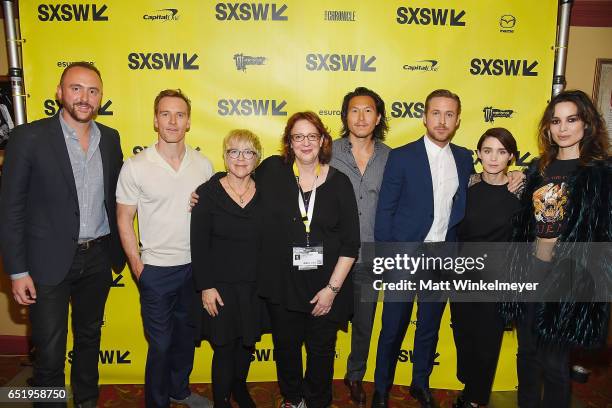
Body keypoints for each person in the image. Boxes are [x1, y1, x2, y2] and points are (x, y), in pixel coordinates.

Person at [0, 62, 125, 408]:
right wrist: (17, 270)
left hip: (98, 257)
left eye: (92, 91)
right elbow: (10, 208)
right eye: (76, 88)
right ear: (59, 92)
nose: (84, 98)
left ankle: (87, 401)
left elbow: (120, 195)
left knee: (89, 339)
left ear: (100, 98)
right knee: (50, 353)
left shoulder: (111, 139)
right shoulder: (28, 137)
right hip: (46, 263)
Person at [501, 90, 611, 408]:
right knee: (527, 356)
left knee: (554, 363)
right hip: (530, 271)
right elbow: (526, 223)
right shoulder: (539, 169)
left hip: (568, 278)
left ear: (587, 125)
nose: (562, 128)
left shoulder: (600, 174)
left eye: (571, 119)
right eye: (556, 121)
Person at [372, 89, 474, 408]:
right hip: (404, 255)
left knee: (429, 326)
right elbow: (385, 209)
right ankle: (381, 388)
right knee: (392, 327)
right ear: (424, 116)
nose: (442, 120)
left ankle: (420, 383)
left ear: (457, 120)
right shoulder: (401, 156)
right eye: (435, 113)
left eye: (449, 114)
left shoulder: (464, 157)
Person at [116, 89, 213, 408]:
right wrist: (137, 265)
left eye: (180, 114)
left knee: (186, 339)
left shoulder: (203, 165)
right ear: (155, 120)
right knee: (160, 344)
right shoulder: (136, 166)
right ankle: (156, 402)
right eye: (166, 114)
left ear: (188, 122)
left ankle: (179, 390)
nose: (173, 120)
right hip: (155, 270)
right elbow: (124, 218)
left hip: (194, 270)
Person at [256, 111, 360, 408]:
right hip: (283, 284)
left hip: (326, 285)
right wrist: (203, 191)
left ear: (323, 140)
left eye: (311, 136)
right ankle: (292, 398)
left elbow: (351, 243)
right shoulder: (272, 171)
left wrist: (332, 290)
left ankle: (317, 401)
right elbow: (237, 177)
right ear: (288, 142)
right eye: (297, 136)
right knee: (286, 348)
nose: (305, 143)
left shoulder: (339, 183)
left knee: (321, 351)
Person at [191, 129, 264, 408]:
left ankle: (239, 387)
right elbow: (198, 244)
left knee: (247, 343)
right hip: (219, 286)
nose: (241, 158)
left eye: (248, 152)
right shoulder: (208, 193)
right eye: (234, 151)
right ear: (224, 157)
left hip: (255, 285)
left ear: (257, 158)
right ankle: (221, 400)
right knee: (223, 346)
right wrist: (206, 287)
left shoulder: (266, 191)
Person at [450, 128, 521, 408]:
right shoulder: (465, 186)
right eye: (488, 151)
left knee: (487, 341)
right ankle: (470, 386)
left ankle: (476, 399)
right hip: (462, 275)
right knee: (464, 335)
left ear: (511, 157)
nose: (494, 158)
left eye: (502, 152)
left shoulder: (520, 191)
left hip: (497, 279)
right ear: (478, 154)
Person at [330, 87, 391, 404]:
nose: (361, 116)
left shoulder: (391, 157)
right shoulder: (327, 151)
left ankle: (355, 375)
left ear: (378, 117)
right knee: (323, 316)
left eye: (368, 110)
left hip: (371, 254)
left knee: (364, 322)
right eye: (354, 110)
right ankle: (318, 373)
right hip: (331, 254)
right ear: (345, 116)